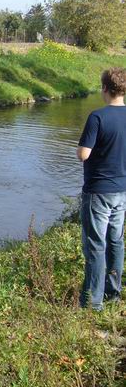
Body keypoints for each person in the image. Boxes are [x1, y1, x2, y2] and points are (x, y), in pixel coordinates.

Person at [77, 68, 126, 310]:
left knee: (96, 245)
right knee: (116, 241)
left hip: (98, 191)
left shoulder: (97, 117)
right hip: (122, 190)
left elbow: (83, 154)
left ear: (104, 88)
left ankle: (92, 303)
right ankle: (113, 294)